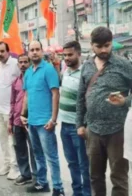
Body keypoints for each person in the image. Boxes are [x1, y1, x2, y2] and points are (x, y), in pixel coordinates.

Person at [76, 26, 132, 196]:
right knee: (95, 176)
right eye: (99, 46)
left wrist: (126, 101)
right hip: (92, 130)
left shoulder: (124, 65)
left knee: (119, 176)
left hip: (118, 130)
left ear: (111, 43)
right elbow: (80, 98)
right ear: (91, 45)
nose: (103, 50)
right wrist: (80, 124)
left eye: (107, 45)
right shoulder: (86, 66)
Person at [21, 41, 64, 195]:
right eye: (31, 50)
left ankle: (58, 188)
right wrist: (23, 114)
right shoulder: (28, 72)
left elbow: (55, 94)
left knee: (51, 156)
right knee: (38, 155)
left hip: (45, 123)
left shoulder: (48, 69)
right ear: (28, 52)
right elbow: (27, 95)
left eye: (37, 49)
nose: (34, 52)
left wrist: (53, 119)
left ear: (42, 51)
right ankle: (42, 182)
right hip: (31, 122)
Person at [59, 41, 91, 196]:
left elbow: (88, 101)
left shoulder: (85, 73)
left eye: (70, 54)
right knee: (72, 162)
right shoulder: (66, 71)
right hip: (64, 125)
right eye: (64, 55)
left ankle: (86, 192)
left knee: (83, 163)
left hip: (78, 127)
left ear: (79, 54)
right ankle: (76, 191)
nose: (66, 58)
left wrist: (84, 125)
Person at [9, 54, 37, 186]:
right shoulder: (16, 82)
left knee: (34, 149)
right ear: (18, 64)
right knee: (20, 149)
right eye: (21, 62)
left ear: (30, 63)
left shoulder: (34, 78)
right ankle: (25, 174)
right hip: (17, 121)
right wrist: (10, 121)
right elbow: (12, 102)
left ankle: (37, 176)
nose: (23, 64)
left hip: (31, 121)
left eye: (26, 62)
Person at [0, 42, 20, 179]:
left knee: (12, 141)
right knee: (2, 139)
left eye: (2, 51)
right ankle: (6, 164)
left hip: (10, 111)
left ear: (8, 52)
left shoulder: (15, 64)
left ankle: (15, 167)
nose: (0, 54)